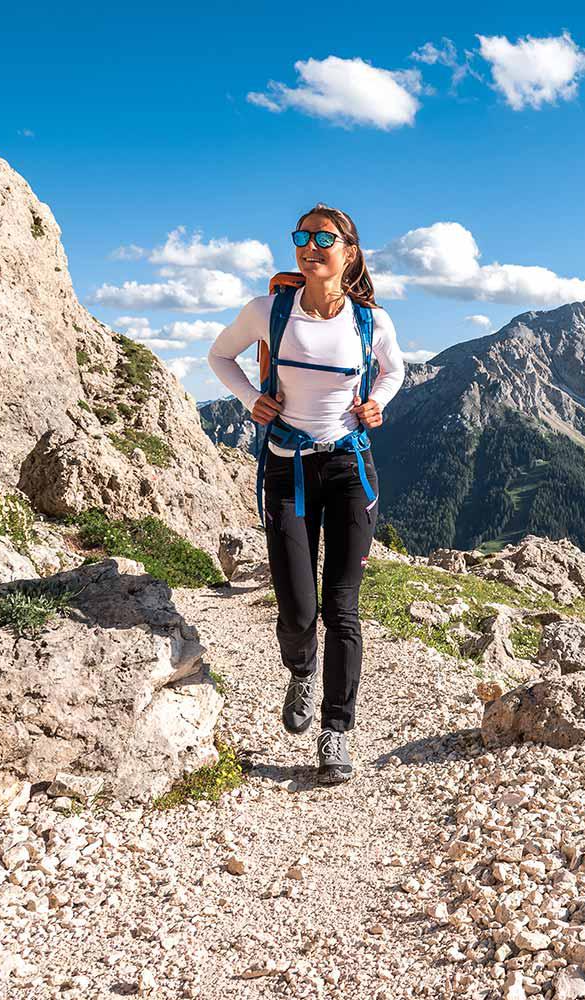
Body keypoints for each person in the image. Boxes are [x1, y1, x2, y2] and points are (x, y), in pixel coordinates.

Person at [206, 204, 405, 783]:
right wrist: (250, 401)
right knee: (297, 608)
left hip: (348, 468)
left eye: (324, 238)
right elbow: (219, 356)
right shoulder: (268, 311)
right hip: (286, 469)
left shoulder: (372, 322)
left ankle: (335, 730)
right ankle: (301, 668)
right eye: (302, 236)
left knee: (342, 606)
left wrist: (377, 406)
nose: (309, 245)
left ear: (350, 252)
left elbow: (393, 372)